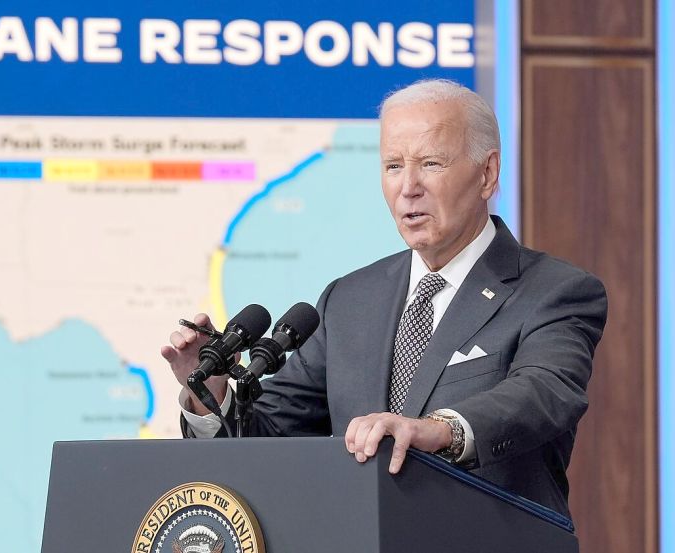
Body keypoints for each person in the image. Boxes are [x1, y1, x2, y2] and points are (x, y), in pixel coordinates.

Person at [160, 79, 607, 517]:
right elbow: (270, 434)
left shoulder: (554, 292)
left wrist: (438, 430)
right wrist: (209, 389)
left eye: (431, 163)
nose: (408, 187)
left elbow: (543, 393)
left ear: (487, 174)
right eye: (393, 166)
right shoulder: (350, 299)